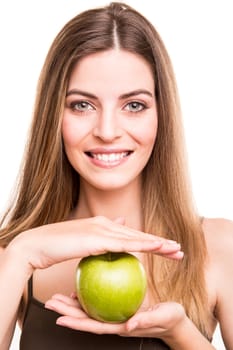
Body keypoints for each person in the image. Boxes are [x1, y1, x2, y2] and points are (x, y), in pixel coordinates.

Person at [0, 2, 232, 349]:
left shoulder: (219, 246)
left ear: (160, 116)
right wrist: (23, 252)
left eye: (134, 105)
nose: (107, 131)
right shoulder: (14, 253)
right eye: (82, 105)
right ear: (54, 118)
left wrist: (179, 333)